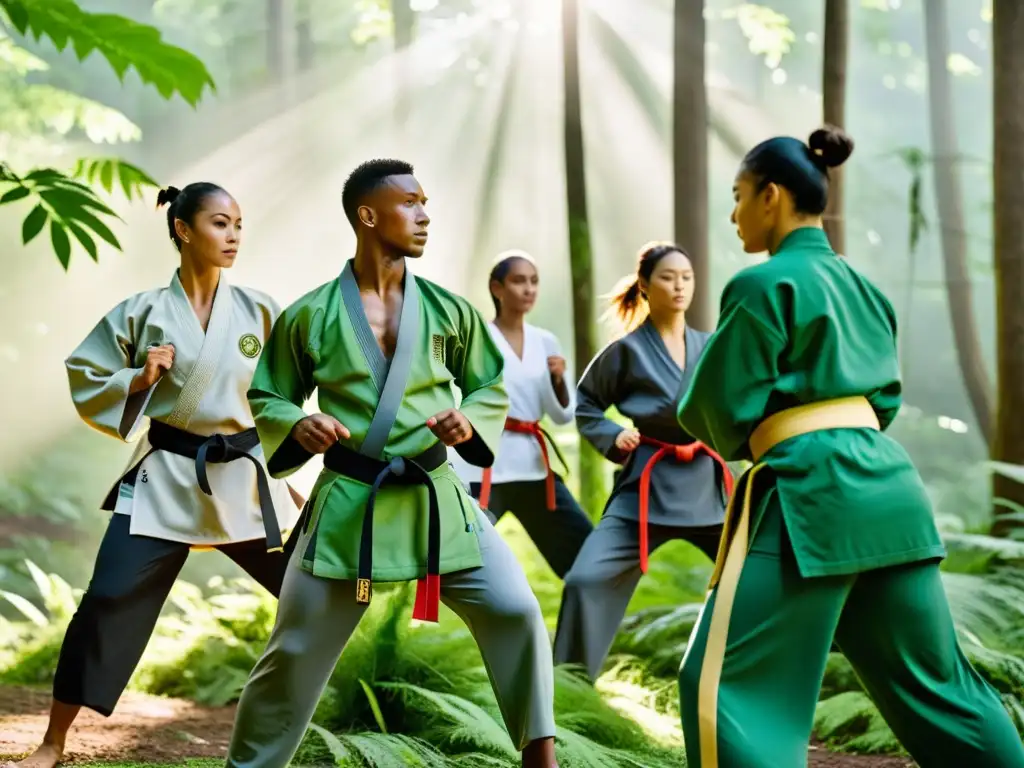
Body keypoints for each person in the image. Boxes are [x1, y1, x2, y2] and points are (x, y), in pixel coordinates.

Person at [676, 125, 1024, 768]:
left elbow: (716, 408)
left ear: (771, 196)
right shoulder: (867, 290)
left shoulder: (759, 286)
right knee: (944, 692)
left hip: (811, 496)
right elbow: (881, 403)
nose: (733, 214)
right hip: (890, 495)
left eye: (738, 196)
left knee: (719, 690)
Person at [223, 159, 557, 768]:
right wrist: (299, 423)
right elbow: (269, 394)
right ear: (367, 215)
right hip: (351, 501)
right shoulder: (312, 314)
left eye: (426, 201)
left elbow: (488, 384)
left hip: (436, 495)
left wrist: (470, 420)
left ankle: (542, 760)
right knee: (293, 650)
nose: (425, 215)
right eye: (410, 203)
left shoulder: (450, 310)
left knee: (517, 610)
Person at [6, 183, 303, 768]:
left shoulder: (262, 311)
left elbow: (290, 392)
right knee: (106, 598)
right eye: (220, 223)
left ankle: (299, 722)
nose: (234, 235)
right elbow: (86, 373)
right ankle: (53, 741)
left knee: (313, 592)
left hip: (244, 478)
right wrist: (138, 381)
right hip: (166, 477)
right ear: (183, 230)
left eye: (239, 224)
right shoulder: (142, 312)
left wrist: (287, 470)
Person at [551, 242, 732, 683]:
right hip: (646, 487)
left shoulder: (712, 347)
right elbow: (587, 403)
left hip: (710, 485)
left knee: (759, 575)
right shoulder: (626, 351)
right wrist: (614, 435)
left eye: (686, 277)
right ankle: (570, 689)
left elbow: (740, 404)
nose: (679, 286)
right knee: (584, 581)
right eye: (668, 277)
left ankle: (749, 680)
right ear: (646, 286)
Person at [449, 250, 593, 579]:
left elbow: (561, 415)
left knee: (587, 556)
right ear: (497, 289)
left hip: (532, 466)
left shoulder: (546, 342)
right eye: (518, 281)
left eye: (534, 281)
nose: (529, 289)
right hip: (482, 465)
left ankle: (580, 626)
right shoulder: (476, 340)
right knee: (462, 562)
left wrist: (558, 381)